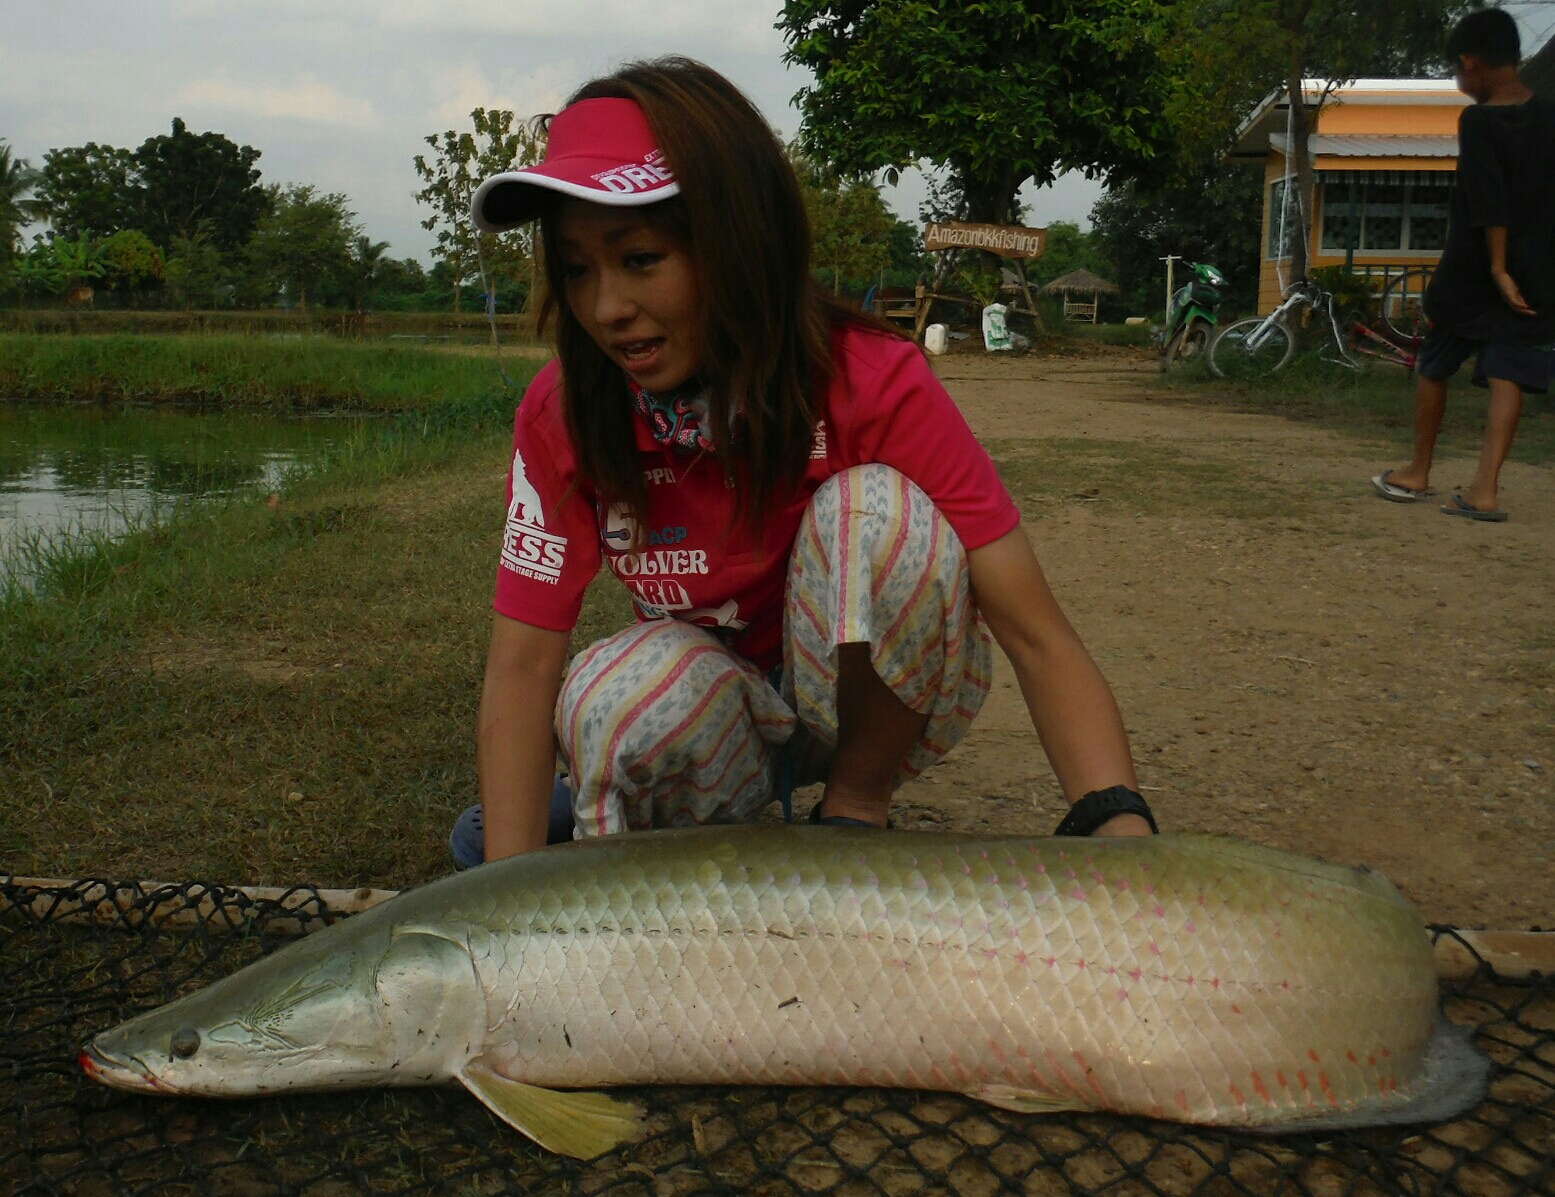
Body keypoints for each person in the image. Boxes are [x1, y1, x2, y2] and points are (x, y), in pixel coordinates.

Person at [453, 56, 1153, 867]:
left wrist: (1122, 834)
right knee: (614, 703)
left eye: (640, 258)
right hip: (719, 711)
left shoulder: (870, 378)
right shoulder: (565, 408)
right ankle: (714, 833)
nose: (607, 307)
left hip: (862, 700)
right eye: (577, 269)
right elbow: (522, 665)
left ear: (737, 242)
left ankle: (853, 816)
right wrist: (499, 892)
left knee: (882, 517)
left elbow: (1035, 633)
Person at [1371, 7, 1555, 523]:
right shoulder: (1550, 116)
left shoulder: (1478, 121)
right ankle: (1484, 490)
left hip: (1476, 269)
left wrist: (1498, 267)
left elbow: (1489, 200)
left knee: (1435, 362)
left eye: (1456, 70)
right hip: (1539, 270)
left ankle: (1418, 470)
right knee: (1509, 372)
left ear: (1471, 63)